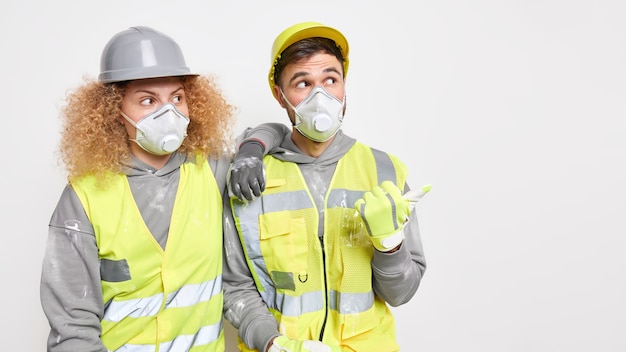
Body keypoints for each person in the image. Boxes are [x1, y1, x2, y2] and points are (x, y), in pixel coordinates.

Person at [40, 26, 283, 352]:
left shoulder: (211, 172)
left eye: (177, 98)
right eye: (147, 100)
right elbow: (73, 329)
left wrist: (252, 149)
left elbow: (278, 130)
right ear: (114, 109)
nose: (167, 113)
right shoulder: (83, 199)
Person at [222, 22, 429, 352]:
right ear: (280, 95)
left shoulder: (384, 170)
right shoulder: (250, 177)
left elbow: (401, 294)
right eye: (302, 83)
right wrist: (272, 343)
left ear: (344, 85)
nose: (320, 96)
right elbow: (235, 286)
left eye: (330, 79)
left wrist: (390, 245)